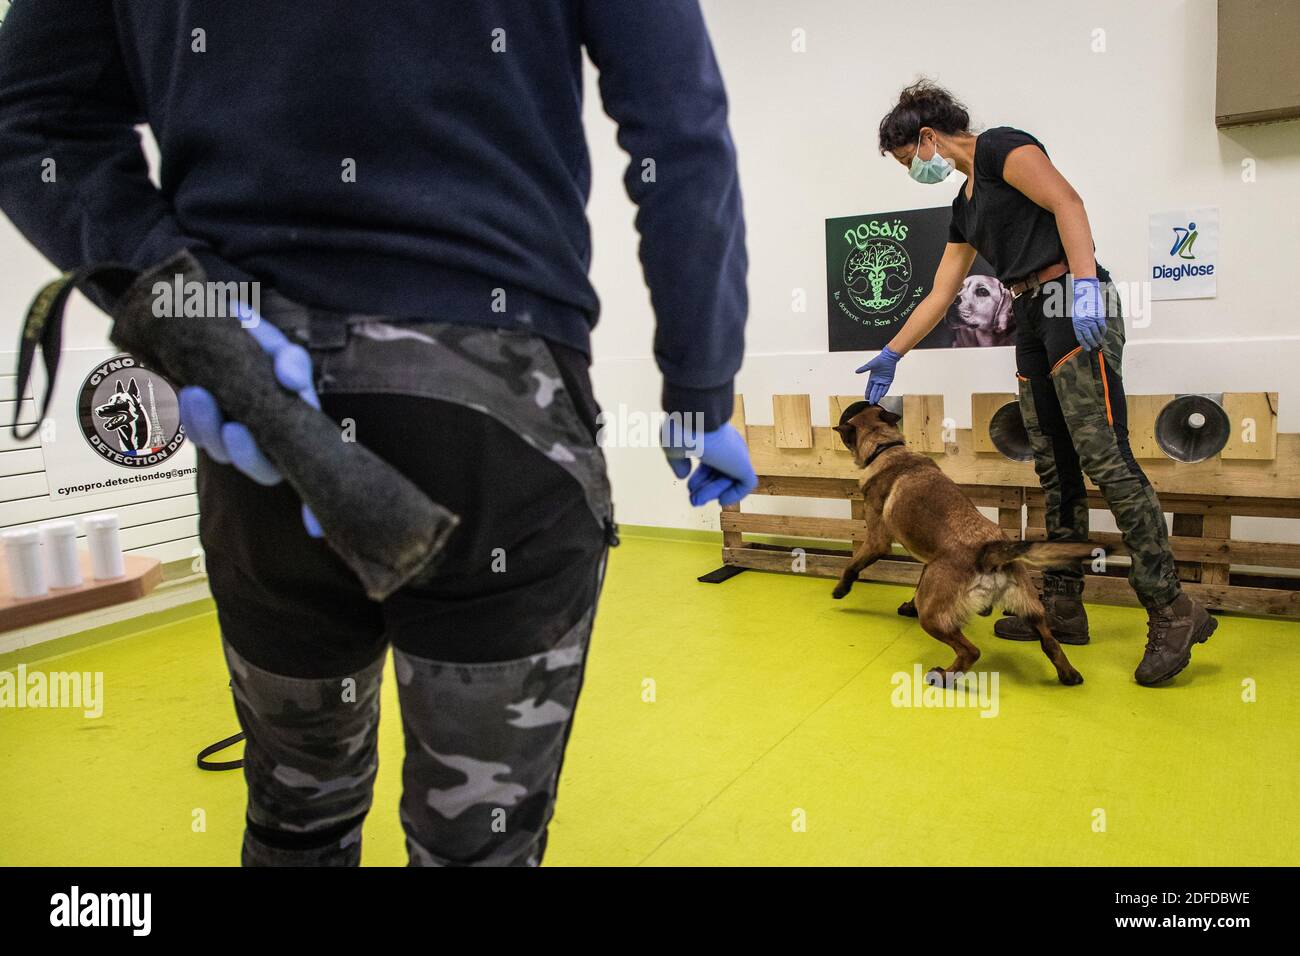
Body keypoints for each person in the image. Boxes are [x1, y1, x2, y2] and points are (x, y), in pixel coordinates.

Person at [0, 0, 755, 865]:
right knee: (479, 845)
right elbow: (682, 135)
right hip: (499, 412)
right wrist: (699, 386)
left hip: (263, 409)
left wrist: (191, 305)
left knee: (298, 826)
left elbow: (31, 117)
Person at [859, 80, 1214, 686]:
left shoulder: (1000, 148)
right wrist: (892, 350)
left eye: (904, 160)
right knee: (1055, 466)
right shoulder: (965, 207)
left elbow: (1068, 204)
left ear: (926, 138)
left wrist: (1083, 286)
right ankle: (1064, 606)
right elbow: (943, 292)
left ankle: (1171, 607)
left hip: (1067, 298)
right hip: (1029, 313)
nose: (910, 170)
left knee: (1106, 456)